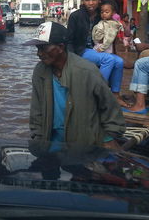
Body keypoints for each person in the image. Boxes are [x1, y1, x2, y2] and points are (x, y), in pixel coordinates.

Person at [24, 22, 126, 150]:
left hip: (82, 142)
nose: (39, 54)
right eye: (37, 49)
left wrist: (107, 138)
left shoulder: (86, 71)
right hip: (51, 140)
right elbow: (36, 109)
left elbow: (109, 106)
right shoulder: (40, 71)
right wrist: (37, 137)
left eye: (43, 48)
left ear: (60, 47)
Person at [67, 0, 128, 107]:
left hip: (97, 50)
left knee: (119, 62)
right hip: (82, 50)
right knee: (108, 59)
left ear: (99, 0)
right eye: (87, 0)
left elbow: (117, 28)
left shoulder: (104, 14)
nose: (91, 3)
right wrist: (71, 60)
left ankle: (115, 95)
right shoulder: (76, 16)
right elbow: (69, 40)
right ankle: (98, 93)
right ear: (83, 1)